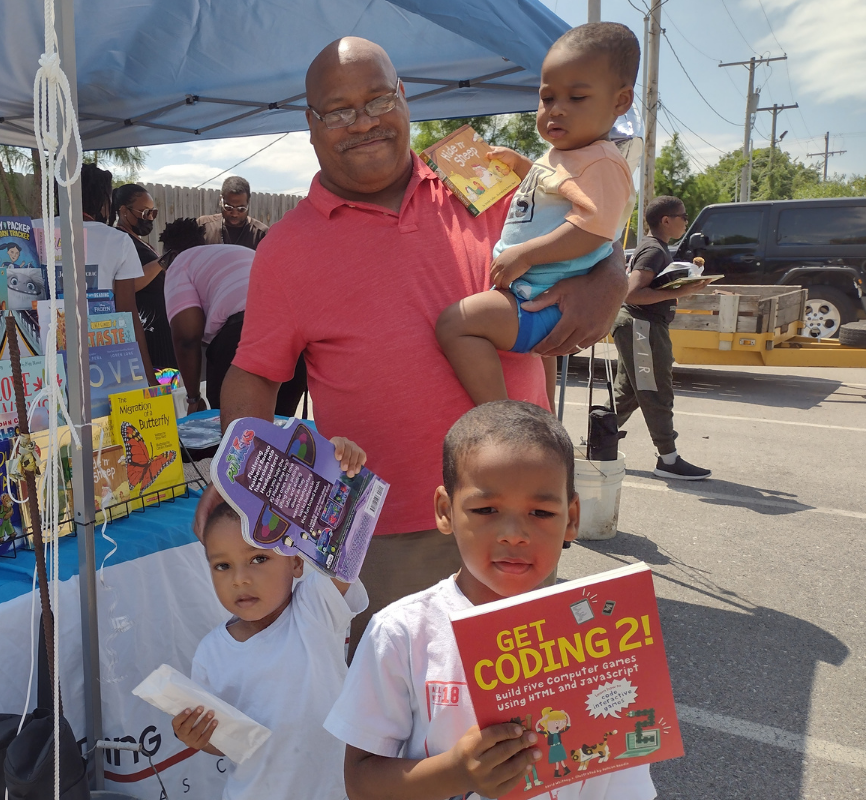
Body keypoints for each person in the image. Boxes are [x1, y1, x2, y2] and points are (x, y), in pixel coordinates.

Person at [199, 36, 629, 655]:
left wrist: (611, 276)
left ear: (404, 98)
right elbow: (253, 376)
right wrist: (240, 477)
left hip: (513, 514)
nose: (364, 122)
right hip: (379, 536)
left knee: (514, 716)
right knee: (398, 727)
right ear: (311, 126)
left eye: (378, 99)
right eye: (339, 111)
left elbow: (591, 224)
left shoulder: (477, 172)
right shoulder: (287, 248)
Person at [325, 401, 655, 800]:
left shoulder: (603, 641)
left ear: (571, 518)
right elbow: (360, 782)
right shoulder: (402, 633)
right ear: (446, 511)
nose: (514, 534)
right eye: (486, 509)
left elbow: (623, 783)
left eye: (540, 512)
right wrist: (456, 772)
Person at [436, 22, 637, 407]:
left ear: (620, 102)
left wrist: (526, 254)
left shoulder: (602, 163)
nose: (556, 109)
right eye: (547, 98)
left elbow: (594, 230)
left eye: (577, 97)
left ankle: (497, 414)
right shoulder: (568, 158)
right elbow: (554, 191)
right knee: (541, 377)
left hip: (543, 298)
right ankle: (539, 418)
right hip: (535, 294)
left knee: (456, 325)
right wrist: (523, 166)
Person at [173, 479, 369, 800]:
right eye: (222, 566)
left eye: (258, 559)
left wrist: (341, 472)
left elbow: (349, 539)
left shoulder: (315, 609)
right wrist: (196, 736)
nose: (240, 579)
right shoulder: (211, 653)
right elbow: (224, 740)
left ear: (295, 561)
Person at [611, 195, 714, 480]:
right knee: (656, 391)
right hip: (641, 326)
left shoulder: (656, 248)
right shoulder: (654, 250)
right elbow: (632, 292)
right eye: (683, 215)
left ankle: (598, 443)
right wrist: (681, 292)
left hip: (641, 326)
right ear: (666, 220)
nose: (685, 220)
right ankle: (668, 460)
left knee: (629, 393)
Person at [160, 217, 307, 415]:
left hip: (241, 335)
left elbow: (186, 338)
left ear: (172, 254)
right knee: (277, 435)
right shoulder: (237, 252)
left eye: (163, 262)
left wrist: (193, 398)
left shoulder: (180, 263)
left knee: (235, 437)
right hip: (293, 338)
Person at [80, 165, 154, 373]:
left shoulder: (36, 229)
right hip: (103, 357)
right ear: (105, 202)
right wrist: (147, 374)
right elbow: (127, 311)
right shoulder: (117, 240)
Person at [112, 184, 176, 372]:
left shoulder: (136, 240)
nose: (149, 218)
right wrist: (162, 262)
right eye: (145, 212)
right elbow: (127, 285)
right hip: (148, 328)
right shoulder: (120, 240)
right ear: (124, 211)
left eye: (153, 213)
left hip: (161, 326)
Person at [197, 176, 270, 250]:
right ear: (221, 200)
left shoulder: (261, 234)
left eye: (241, 209)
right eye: (229, 208)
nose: (234, 214)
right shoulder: (203, 226)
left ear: (248, 203)